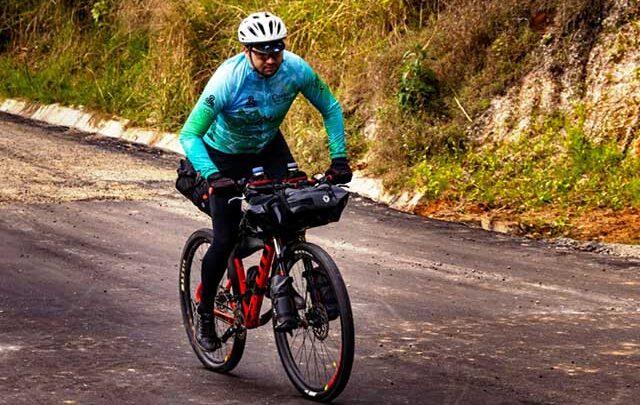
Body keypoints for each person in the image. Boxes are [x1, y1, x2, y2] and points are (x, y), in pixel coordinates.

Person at [179, 11, 353, 351]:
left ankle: (305, 278)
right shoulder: (227, 80)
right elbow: (190, 134)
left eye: (277, 51)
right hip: (222, 154)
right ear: (247, 51)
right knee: (226, 237)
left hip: (267, 146)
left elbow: (330, 107)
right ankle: (204, 313)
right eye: (262, 53)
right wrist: (213, 175)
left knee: (294, 211)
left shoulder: (296, 70)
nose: (271, 59)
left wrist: (339, 158)